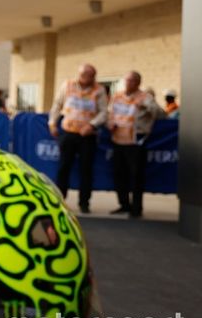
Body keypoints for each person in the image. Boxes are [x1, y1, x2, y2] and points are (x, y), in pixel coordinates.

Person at [48, 64, 108, 213]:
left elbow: (104, 113)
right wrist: (52, 122)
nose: (89, 79)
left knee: (86, 170)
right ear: (80, 75)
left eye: (92, 76)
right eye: (86, 75)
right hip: (68, 132)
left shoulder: (99, 90)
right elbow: (57, 104)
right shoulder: (67, 85)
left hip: (87, 135)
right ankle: (60, 200)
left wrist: (92, 125)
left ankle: (84, 203)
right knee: (63, 168)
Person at [107, 71, 165, 217]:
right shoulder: (117, 96)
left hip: (136, 142)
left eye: (131, 81)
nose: (127, 83)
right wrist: (110, 124)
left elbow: (161, 114)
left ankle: (136, 208)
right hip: (118, 140)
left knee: (136, 175)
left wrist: (145, 107)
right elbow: (110, 114)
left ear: (138, 83)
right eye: (126, 80)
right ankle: (124, 204)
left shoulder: (145, 97)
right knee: (119, 175)